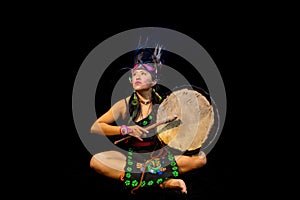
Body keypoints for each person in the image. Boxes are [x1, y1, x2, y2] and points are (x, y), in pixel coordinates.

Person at [89, 45, 207, 196]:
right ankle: (164, 182)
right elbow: (95, 127)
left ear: (154, 81)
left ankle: (139, 179)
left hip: (160, 157)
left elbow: (182, 131)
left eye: (143, 73)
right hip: (133, 159)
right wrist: (125, 129)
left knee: (201, 159)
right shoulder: (124, 105)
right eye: (135, 74)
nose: (137, 77)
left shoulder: (166, 104)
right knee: (96, 161)